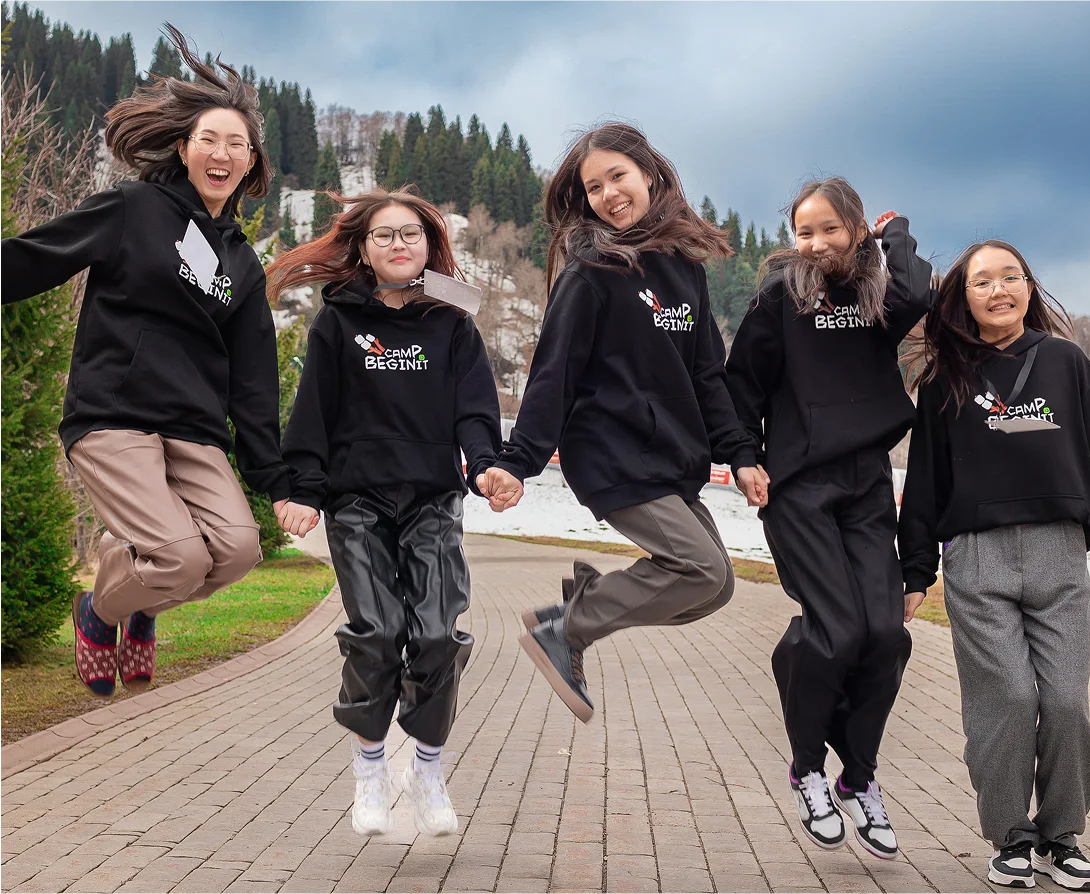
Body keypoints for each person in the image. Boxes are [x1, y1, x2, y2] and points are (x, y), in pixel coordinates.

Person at [0, 25, 289, 696]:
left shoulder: (242, 264)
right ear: (184, 149)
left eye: (237, 144)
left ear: (251, 163)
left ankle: (136, 592)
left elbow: (253, 380)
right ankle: (99, 613)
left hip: (194, 428)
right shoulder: (134, 208)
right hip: (114, 414)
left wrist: (275, 478)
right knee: (180, 557)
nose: (222, 153)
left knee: (237, 551)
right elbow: (38, 256)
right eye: (209, 139)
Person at [478, 122, 768, 724]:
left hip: (670, 456)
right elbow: (553, 372)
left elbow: (707, 375)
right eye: (594, 187)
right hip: (611, 450)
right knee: (699, 568)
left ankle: (581, 607)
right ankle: (567, 628)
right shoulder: (590, 271)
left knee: (715, 588)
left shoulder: (685, 270)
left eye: (618, 177)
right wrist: (519, 461)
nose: (608, 195)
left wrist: (740, 454)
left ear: (650, 175)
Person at [269, 187, 501, 837]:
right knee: (375, 632)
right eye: (383, 236)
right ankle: (369, 768)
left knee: (436, 634)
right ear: (364, 251)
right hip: (357, 504)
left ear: (429, 245)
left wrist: (485, 465)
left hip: (432, 500)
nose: (398, 244)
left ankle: (427, 770)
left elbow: (475, 411)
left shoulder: (453, 324)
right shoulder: (337, 323)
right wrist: (304, 490)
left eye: (410, 234)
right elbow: (313, 414)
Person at [900, 239, 1090, 890]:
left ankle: (1061, 836)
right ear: (963, 297)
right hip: (978, 560)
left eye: (1011, 276)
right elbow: (925, 483)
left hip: (1060, 557)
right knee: (1005, 699)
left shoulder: (1064, 362)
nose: (999, 289)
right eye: (983, 281)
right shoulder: (944, 379)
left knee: (1065, 702)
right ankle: (1010, 837)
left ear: (1028, 287)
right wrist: (914, 572)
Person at [725, 177, 934, 859]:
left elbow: (918, 293)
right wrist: (743, 458)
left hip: (867, 481)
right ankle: (808, 768)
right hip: (798, 485)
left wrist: (893, 236)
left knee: (886, 635)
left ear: (856, 230)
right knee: (836, 631)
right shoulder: (780, 296)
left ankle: (859, 778)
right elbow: (740, 384)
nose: (814, 244)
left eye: (829, 230)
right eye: (803, 232)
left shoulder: (876, 297)